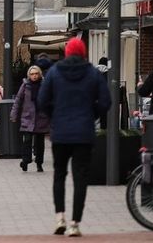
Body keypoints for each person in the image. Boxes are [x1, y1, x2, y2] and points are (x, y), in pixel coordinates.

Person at [37, 37, 111, 238]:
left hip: (60, 132)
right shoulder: (93, 73)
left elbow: (42, 100)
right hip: (83, 133)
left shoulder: (54, 72)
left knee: (59, 174)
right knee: (80, 178)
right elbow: (106, 101)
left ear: (67, 52)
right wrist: (91, 113)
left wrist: (55, 116)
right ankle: (74, 223)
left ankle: (59, 216)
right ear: (84, 52)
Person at [11, 65, 50, 173]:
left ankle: (39, 163)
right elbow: (18, 100)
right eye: (32, 74)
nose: (34, 76)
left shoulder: (45, 85)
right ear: (29, 75)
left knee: (39, 143)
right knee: (27, 140)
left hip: (41, 118)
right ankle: (26, 160)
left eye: (36, 73)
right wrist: (13, 114)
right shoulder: (25, 85)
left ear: (40, 74)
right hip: (27, 117)